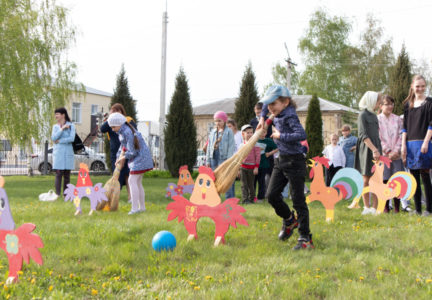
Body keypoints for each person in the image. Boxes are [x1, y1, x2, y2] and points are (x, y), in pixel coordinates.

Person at [257, 85, 313, 250]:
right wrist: (262, 119)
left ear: (286, 102)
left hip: (294, 162)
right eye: (268, 104)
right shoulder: (277, 112)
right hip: (280, 160)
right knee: (271, 195)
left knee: (298, 200)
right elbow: (264, 111)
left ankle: (305, 238)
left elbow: (301, 135)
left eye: (273, 104)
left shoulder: (290, 116)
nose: (269, 108)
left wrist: (281, 136)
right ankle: (289, 220)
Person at [107, 112, 153, 215]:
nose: (112, 129)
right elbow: (123, 147)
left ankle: (135, 209)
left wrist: (122, 157)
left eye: (113, 127)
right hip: (141, 157)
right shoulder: (123, 131)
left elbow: (133, 152)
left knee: (132, 180)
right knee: (137, 182)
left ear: (119, 124)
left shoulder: (127, 132)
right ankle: (142, 208)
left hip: (140, 158)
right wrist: (118, 157)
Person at [401, 75, 432, 216]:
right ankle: (418, 209)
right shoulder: (408, 104)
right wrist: (403, 146)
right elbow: (404, 127)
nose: (420, 89)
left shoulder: (430, 102)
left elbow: (431, 125)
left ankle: (429, 209)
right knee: (414, 179)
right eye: (417, 86)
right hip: (410, 146)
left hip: (424, 144)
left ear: (425, 86)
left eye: (422, 86)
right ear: (412, 86)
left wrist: (426, 142)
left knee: (425, 178)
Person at [353, 91, 382, 215]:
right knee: (366, 179)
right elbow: (363, 135)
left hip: (376, 148)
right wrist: (374, 149)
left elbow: (376, 134)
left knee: (376, 180)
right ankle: (366, 207)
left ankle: (375, 208)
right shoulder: (362, 115)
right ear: (371, 101)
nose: (379, 103)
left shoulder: (374, 115)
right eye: (378, 100)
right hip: (367, 149)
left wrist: (379, 149)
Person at [100, 103, 137, 201]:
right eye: (113, 112)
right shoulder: (110, 122)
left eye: (117, 111)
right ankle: (114, 196)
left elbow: (134, 133)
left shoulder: (128, 120)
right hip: (115, 152)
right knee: (116, 175)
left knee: (128, 175)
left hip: (127, 152)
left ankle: (131, 197)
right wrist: (110, 118)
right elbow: (102, 129)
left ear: (121, 112)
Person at [378, 95, 404, 213]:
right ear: (381, 106)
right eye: (387, 104)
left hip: (396, 155)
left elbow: (401, 135)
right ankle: (386, 206)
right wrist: (388, 151)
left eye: (391, 104)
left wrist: (396, 151)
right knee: (385, 180)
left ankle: (397, 207)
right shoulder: (377, 120)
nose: (390, 106)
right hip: (384, 155)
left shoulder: (398, 119)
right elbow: (378, 137)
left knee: (397, 180)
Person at [206, 111, 236, 199]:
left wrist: (228, 161)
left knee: (226, 179)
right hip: (213, 158)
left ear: (224, 121)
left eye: (219, 121)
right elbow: (209, 146)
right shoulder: (213, 132)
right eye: (215, 121)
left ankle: (229, 199)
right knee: (214, 179)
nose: (217, 123)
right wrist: (208, 160)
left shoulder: (229, 132)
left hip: (224, 158)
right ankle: (215, 199)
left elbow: (231, 146)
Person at [51, 107, 75, 199]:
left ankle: (66, 194)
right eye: (55, 114)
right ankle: (57, 194)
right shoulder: (55, 127)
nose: (56, 116)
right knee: (58, 174)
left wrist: (60, 141)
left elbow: (71, 138)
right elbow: (53, 138)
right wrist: (62, 129)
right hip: (58, 153)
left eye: (57, 114)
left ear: (63, 115)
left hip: (68, 152)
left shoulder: (71, 125)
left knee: (67, 175)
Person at [239, 124, 260, 204]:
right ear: (243, 134)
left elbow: (258, 156)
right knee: (244, 184)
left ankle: (251, 198)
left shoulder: (255, 144)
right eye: (248, 133)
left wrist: (256, 167)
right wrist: (238, 169)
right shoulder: (242, 145)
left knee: (251, 184)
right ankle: (245, 199)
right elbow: (239, 157)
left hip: (252, 168)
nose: (250, 134)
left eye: (251, 133)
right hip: (243, 167)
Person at [255, 129, 278, 201]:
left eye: (263, 132)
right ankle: (252, 196)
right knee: (253, 181)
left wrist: (269, 153)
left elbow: (277, 148)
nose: (262, 134)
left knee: (262, 181)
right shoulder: (254, 140)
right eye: (260, 132)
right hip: (254, 165)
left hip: (264, 164)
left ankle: (260, 197)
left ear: (266, 133)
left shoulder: (269, 141)